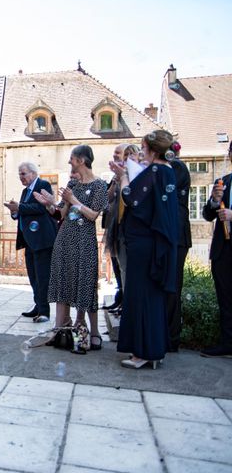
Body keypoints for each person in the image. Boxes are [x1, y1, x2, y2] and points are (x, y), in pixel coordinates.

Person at [111, 130, 178, 369]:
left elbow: (132, 199)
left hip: (143, 243)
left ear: (151, 149)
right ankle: (154, 349)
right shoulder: (168, 171)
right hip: (153, 242)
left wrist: (123, 177)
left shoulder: (156, 170)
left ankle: (143, 351)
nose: (141, 153)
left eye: (142, 148)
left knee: (140, 296)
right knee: (152, 296)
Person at [34, 144, 108, 350]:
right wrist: (49, 203)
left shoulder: (100, 185)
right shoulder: (72, 183)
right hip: (65, 239)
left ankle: (91, 331)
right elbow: (62, 213)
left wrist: (73, 199)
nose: (69, 162)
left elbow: (93, 215)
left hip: (84, 241)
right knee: (63, 282)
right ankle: (62, 330)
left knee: (85, 284)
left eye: (72, 159)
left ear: (82, 160)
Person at [4, 162, 57, 323]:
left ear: (33, 173)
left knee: (43, 277)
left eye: (24, 173)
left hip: (42, 239)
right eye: (19, 174)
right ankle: (38, 306)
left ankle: (44, 312)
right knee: (33, 276)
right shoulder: (24, 191)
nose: (21, 177)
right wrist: (14, 212)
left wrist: (19, 207)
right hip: (29, 240)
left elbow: (41, 208)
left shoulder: (43, 185)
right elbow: (23, 213)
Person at [201, 140, 232, 358]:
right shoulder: (225, 182)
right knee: (225, 299)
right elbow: (206, 214)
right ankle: (227, 342)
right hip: (223, 251)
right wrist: (213, 200)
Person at [167, 142, 191, 352]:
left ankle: (172, 338)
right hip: (169, 236)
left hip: (177, 236)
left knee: (173, 288)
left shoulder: (177, 167)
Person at [101, 144, 128, 313]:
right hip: (113, 225)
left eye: (118, 153)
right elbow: (107, 198)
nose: (115, 156)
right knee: (117, 265)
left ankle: (125, 301)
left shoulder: (131, 172)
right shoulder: (116, 175)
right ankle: (120, 298)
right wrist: (114, 180)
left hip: (124, 226)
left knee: (124, 267)